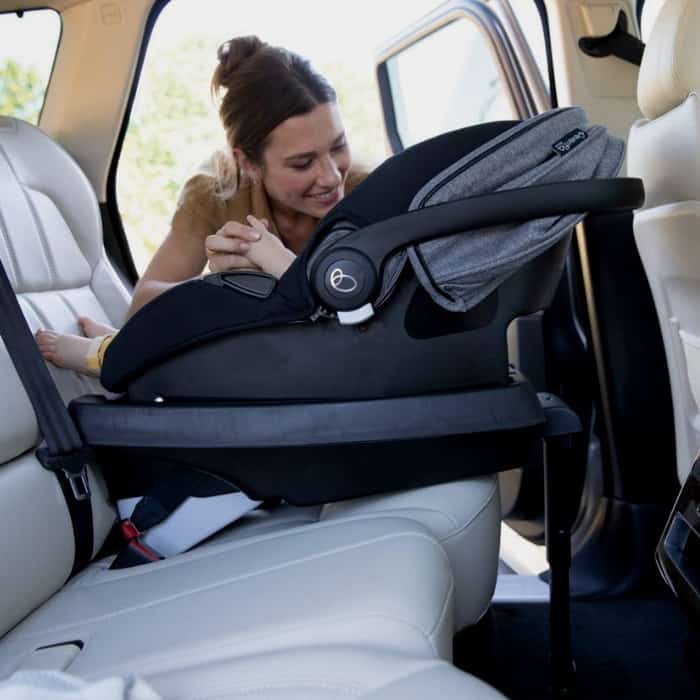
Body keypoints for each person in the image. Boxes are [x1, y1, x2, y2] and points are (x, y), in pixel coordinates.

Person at [36, 35, 367, 375]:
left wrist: (281, 270)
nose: (330, 177)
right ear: (248, 163)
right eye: (302, 163)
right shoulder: (218, 195)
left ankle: (116, 353)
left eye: (338, 146)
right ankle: (118, 354)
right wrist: (228, 286)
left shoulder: (367, 189)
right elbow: (143, 308)